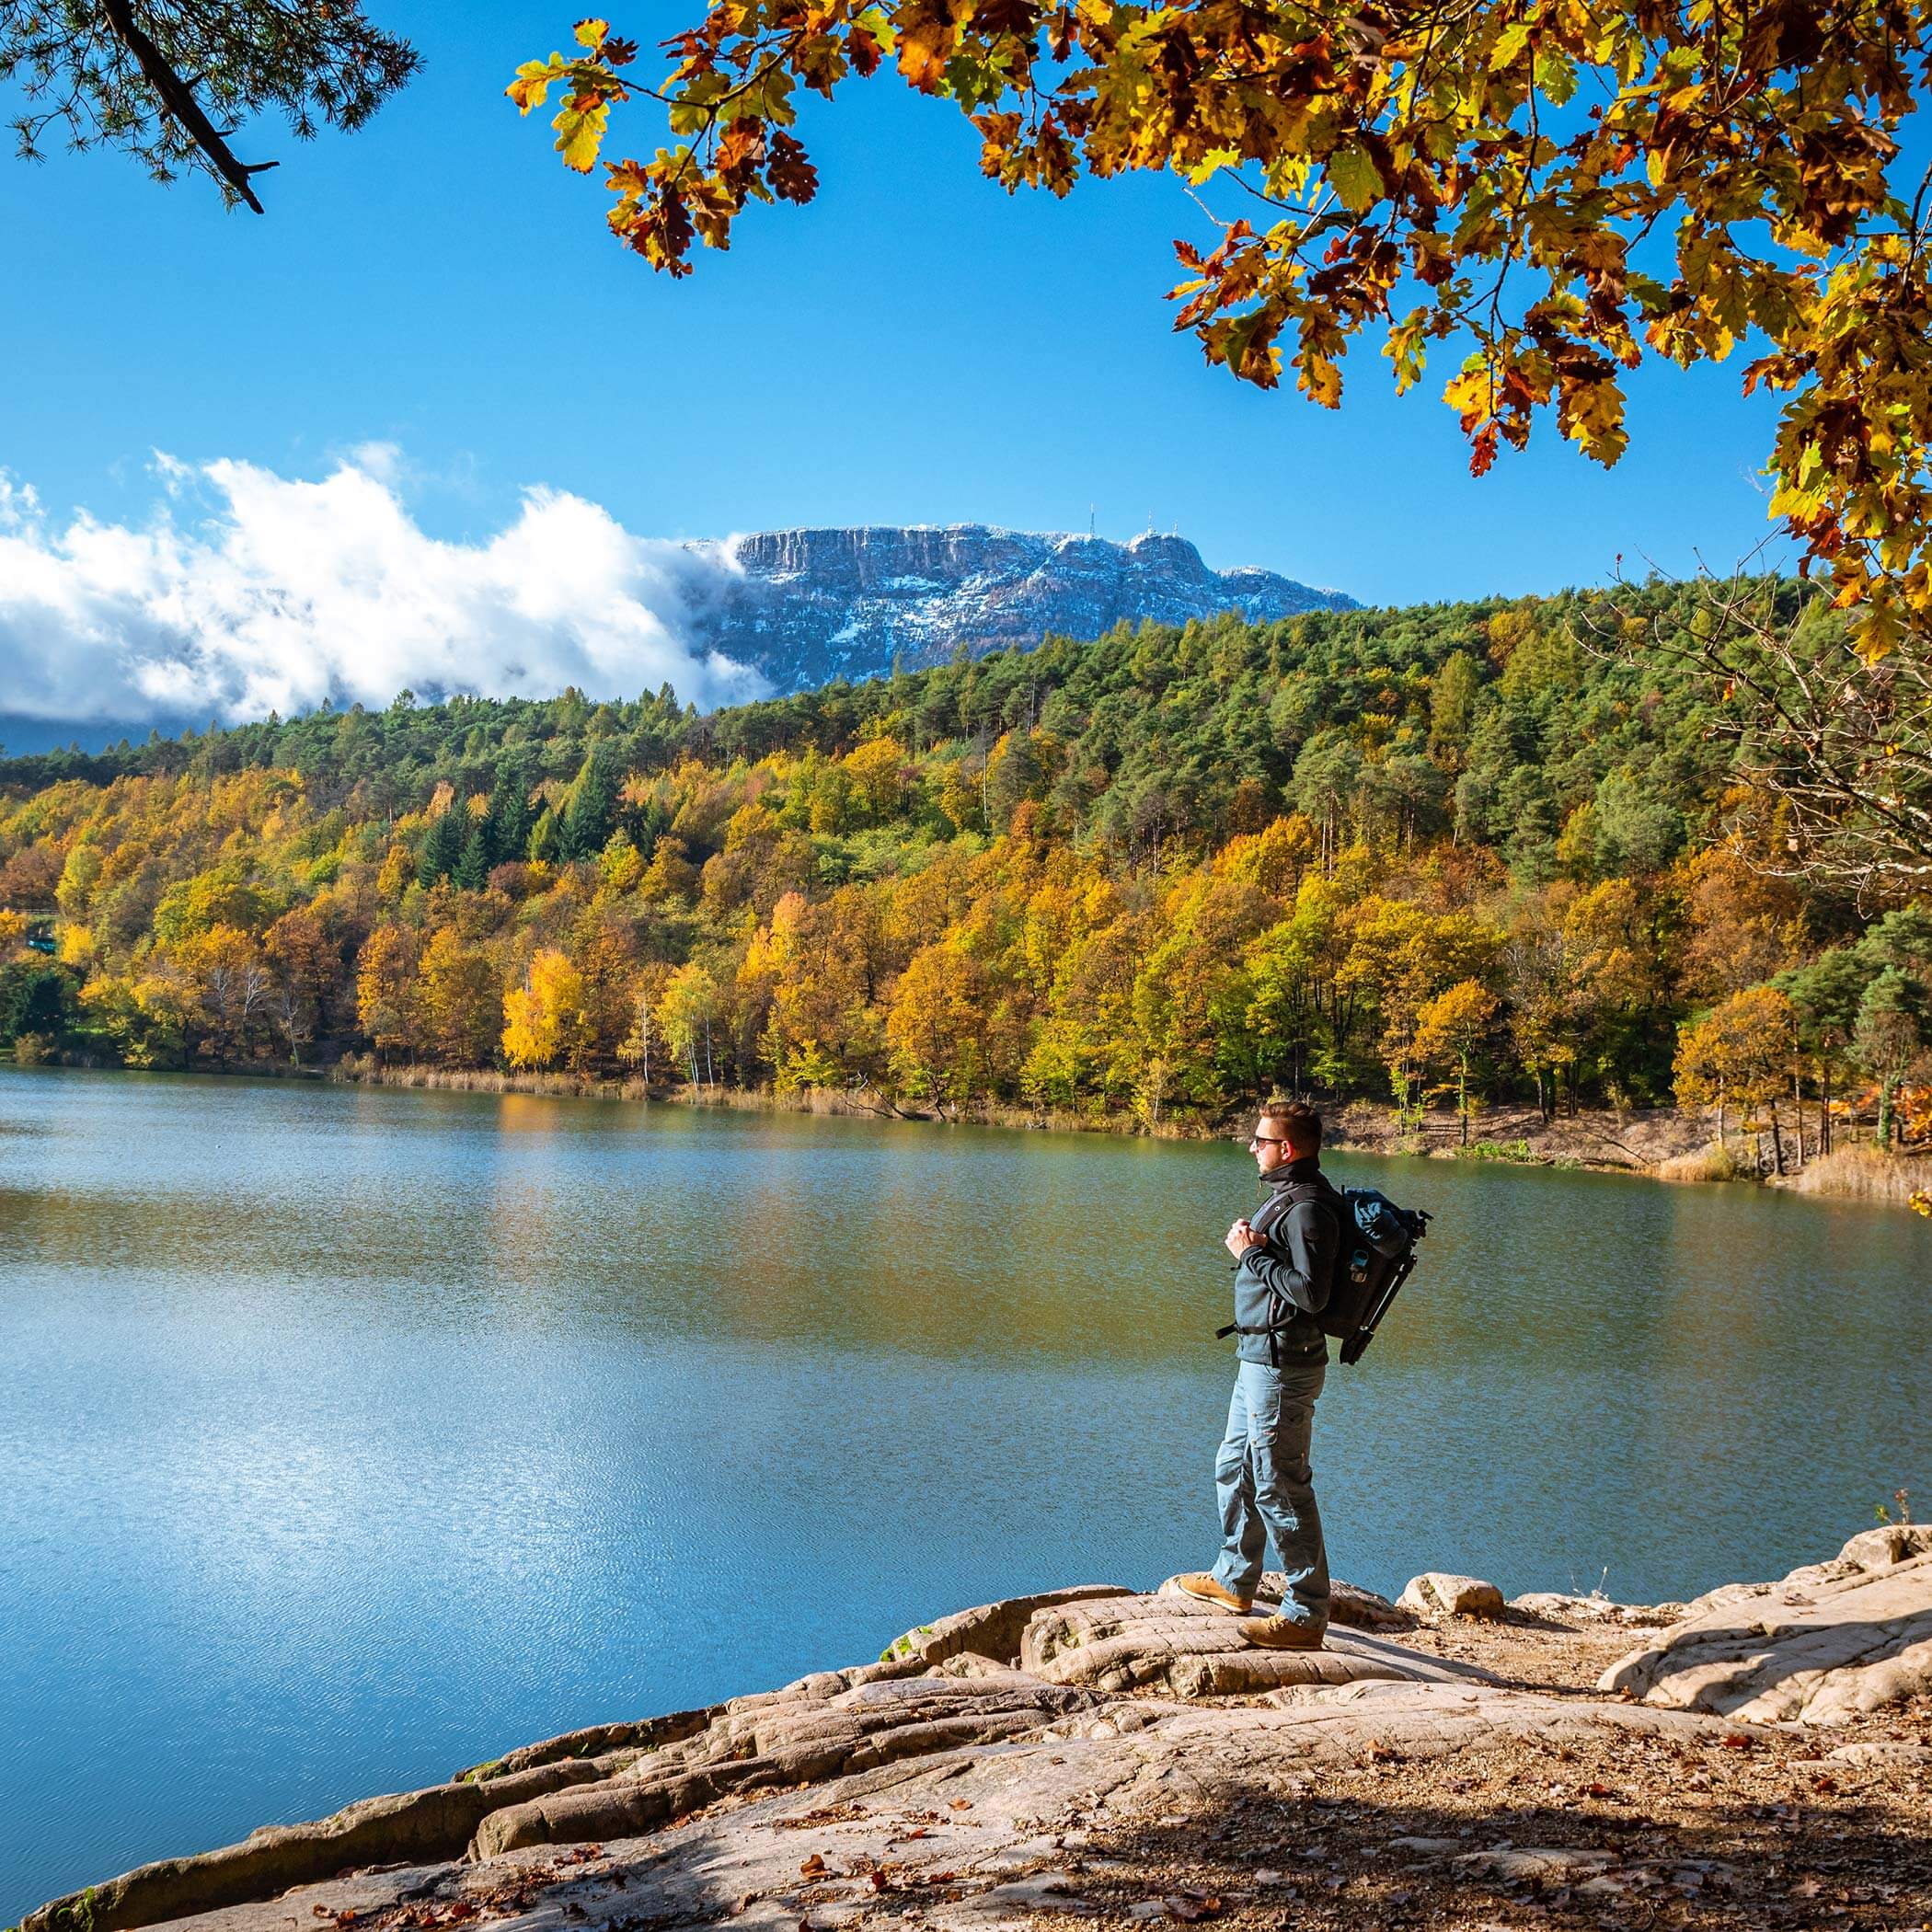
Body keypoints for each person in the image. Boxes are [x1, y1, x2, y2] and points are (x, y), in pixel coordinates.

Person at [1174, 1098, 1337, 1649]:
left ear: (1285, 1149)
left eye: (1260, 1140)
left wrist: (1250, 1255)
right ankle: (1234, 1579)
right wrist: (1261, 1247)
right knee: (1233, 1467)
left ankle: (1305, 1614)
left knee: (1280, 1484)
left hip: (1284, 1367)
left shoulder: (1309, 1206)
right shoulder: (1287, 1200)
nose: (1252, 1147)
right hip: (1258, 1361)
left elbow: (1312, 1295)